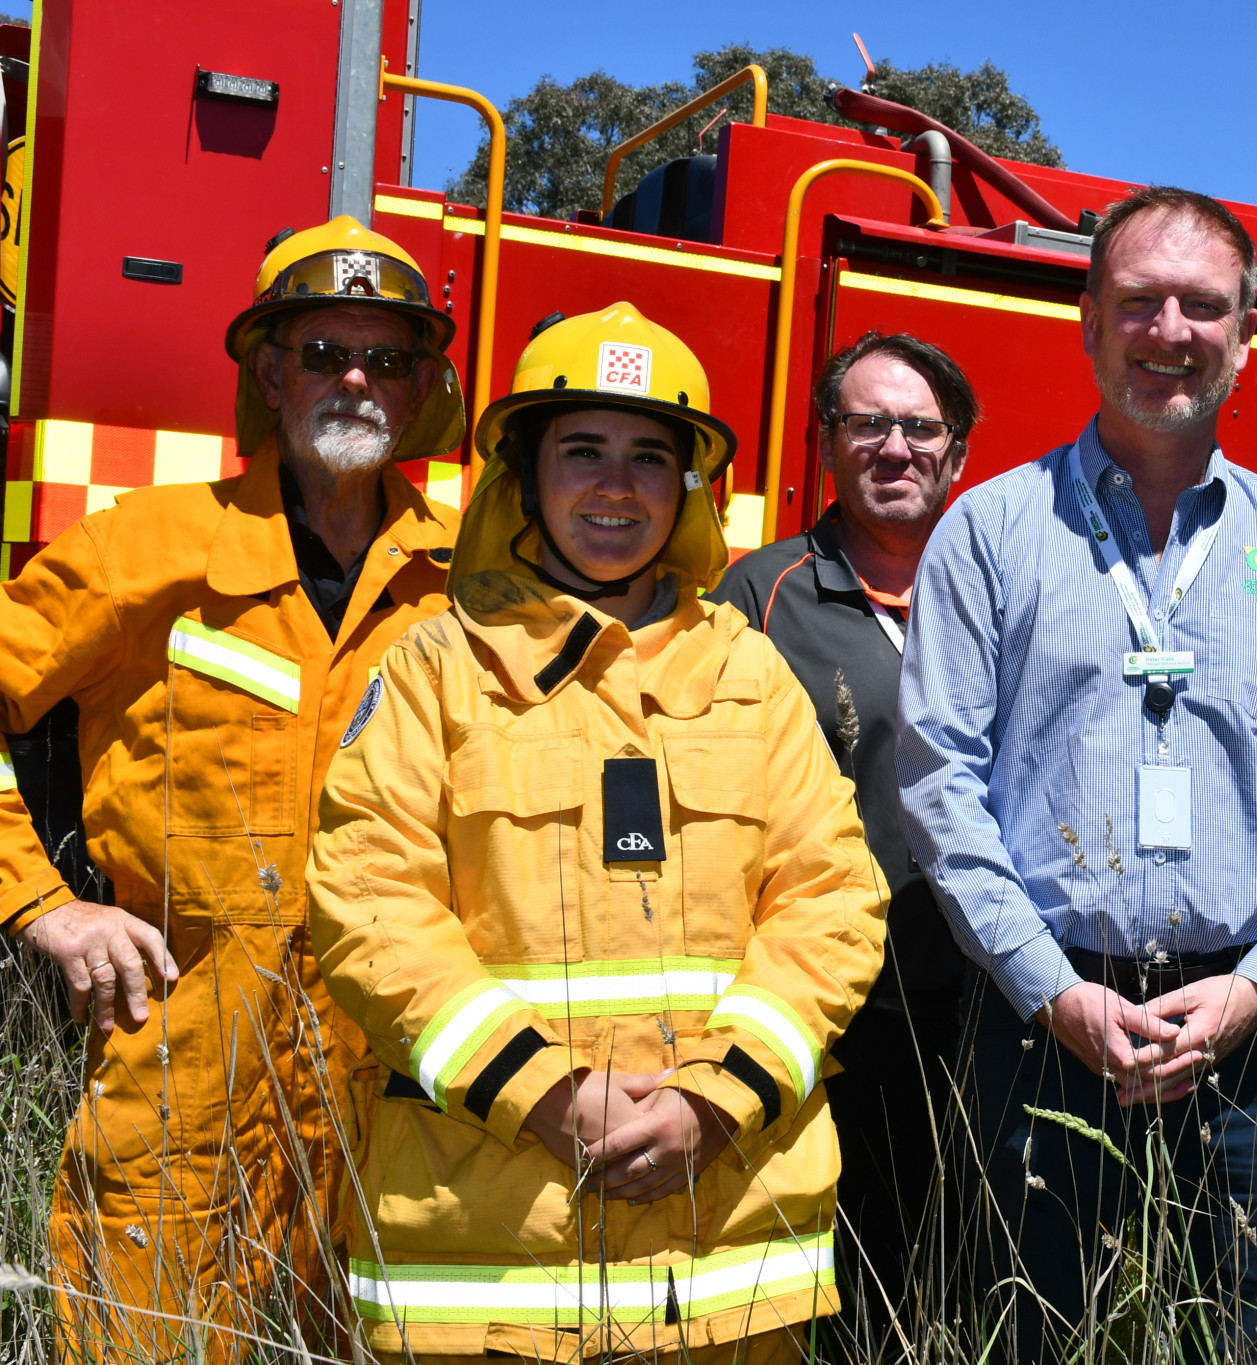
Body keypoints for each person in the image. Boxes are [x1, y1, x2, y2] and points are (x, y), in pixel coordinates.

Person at [306, 302, 887, 1364]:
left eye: (648, 459)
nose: (615, 489)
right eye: (582, 452)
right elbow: (367, 910)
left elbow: (836, 904)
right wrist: (541, 1094)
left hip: (728, 1271)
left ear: (687, 490)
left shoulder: (749, 675)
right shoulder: (437, 668)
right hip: (490, 1267)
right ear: (523, 477)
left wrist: (718, 1100)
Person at [896, 185, 1257, 1360]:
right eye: (1139, 300)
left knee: (1235, 1341)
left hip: (1249, 1039)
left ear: (1247, 329)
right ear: (1085, 318)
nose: (1170, 330)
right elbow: (939, 785)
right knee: (1031, 1339)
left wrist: (1253, 990)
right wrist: (1054, 992)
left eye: (1203, 305)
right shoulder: (989, 531)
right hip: (1038, 1028)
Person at [0, 216, 462, 1357]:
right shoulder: (151, 549)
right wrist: (42, 905)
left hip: (394, 1073)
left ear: (419, 391)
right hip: (182, 1061)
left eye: (387, 359)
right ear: (268, 371)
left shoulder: (464, 583)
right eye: (322, 353)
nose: (355, 380)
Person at [705, 330, 979, 1357]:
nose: (894, 447)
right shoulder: (757, 597)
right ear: (827, 444)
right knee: (844, 1288)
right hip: (830, 1014)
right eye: (868, 423)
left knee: (972, 1274)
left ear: (956, 455)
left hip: (992, 1009)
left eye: (919, 428)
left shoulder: (996, 593)